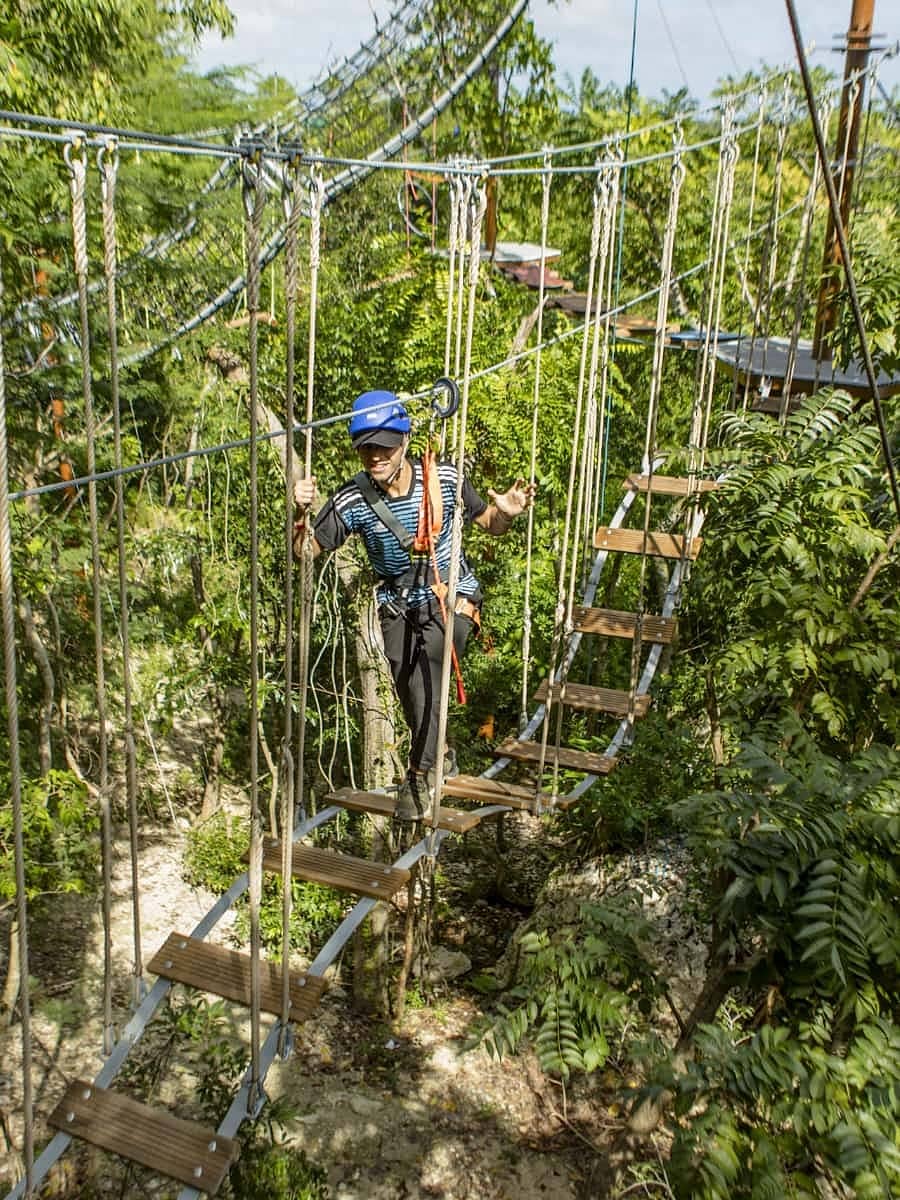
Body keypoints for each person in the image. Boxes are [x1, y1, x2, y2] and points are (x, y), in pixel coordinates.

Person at [293, 389, 536, 820]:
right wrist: (299, 513)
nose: (375, 456)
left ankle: (419, 775)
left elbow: (489, 523)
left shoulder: (443, 479)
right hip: (398, 603)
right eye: (366, 447)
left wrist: (508, 513)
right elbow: (305, 551)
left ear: (404, 442)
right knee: (410, 692)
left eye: (384, 446)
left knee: (432, 678)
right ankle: (441, 752)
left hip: (450, 595)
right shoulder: (352, 500)